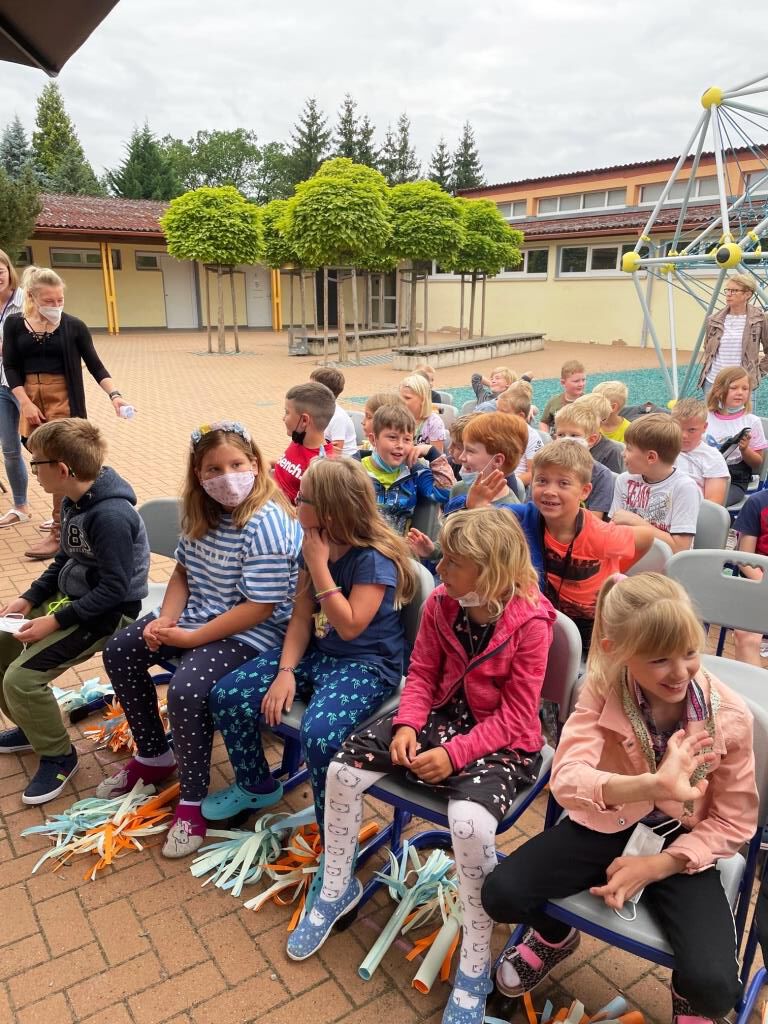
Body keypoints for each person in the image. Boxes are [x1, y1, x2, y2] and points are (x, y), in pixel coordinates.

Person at [285, 508, 556, 1024]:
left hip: (501, 739)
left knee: (469, 824)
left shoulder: (532, 622)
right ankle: (337, 885)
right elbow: (423, 672)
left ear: (493, 570)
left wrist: (454, 755)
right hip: (437, 718)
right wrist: (408, 725)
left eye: (455, 562)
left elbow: (519, 716)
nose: (442, 567)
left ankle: (475, 961)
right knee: (343, 771)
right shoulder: (441, 601)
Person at [483, 573, 758, 1024]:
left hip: (681, 845)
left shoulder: (728, 716)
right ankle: (555, 937)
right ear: (618, 653)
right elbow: (568, 778)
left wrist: (657, 865)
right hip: (606, 822)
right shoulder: (602, 685)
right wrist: (652, 786)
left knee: (715, 988)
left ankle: (687, 991)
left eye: (691, 651)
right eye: (660, 659)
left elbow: (734, 822)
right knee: (501, 893)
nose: (681, 672)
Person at [96, 422, 301, 858]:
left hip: (253, 632)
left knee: (188, 687)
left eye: (237, 464)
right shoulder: (200, 511)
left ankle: (192, 799)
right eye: (213, 469)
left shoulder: (266, 521)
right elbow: (183, 572)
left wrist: (190, 636)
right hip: (198, 616)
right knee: (120, 650)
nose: (227, 477)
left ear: (256, 465)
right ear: (198, 475)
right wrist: (166, 618)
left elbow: (259, 608)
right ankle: (154, 755)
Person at [204, 457, 417, 833]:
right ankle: (255, 785)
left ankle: (332, 832)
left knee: (319, 735)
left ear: (331, 512)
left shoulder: (372, 559)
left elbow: (350, 626)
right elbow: (302, 616)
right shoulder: (315, 544)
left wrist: (319, 566)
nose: (294, 503)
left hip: (366, 666)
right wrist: (286, 672)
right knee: (229, 694)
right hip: (319, 653)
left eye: (302, 499)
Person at [0, 419, 149, 804]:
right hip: (77, 602)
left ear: (62, 470)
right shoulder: (72, 500)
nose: (33, 471)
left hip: (110, 613)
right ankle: (35, 728)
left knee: (20, 679)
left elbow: (116, 591)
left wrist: (55, 620)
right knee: (0, 643)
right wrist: (30, 598)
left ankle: (59, 756)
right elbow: (65, 559)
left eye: (36, 463)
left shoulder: (110, 516)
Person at [2, 266, 133, 560]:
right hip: (31, 400)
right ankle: (73, 521)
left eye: (60, 300)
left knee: (58, 463)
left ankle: (59, 533)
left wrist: (116, 396)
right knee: (41, 462)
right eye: (50, 301)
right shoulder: (13, 324)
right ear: (33, 297)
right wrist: (23, 401)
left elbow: (96, 366)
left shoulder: (74, 326)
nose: (57, 306)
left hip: (64, 401)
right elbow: (10, 366)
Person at [611, 414, 702, 554]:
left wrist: (637, 522)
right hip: (627, 557)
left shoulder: (684, 488)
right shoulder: (624, 480)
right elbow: (613, 530)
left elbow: (679, 548)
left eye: (628, 448)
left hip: (664, 568)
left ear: (651, 457)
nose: (623, 453)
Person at [357, 404, 452, 535]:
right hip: (358, 548)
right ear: (374, 439)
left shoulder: (415, 474)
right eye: (392, 437)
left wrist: (432, 453)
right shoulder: (353, 471)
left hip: (398, 550)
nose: (400, 445)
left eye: (407, 439)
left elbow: (446, 492)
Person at [699, 273, 768, 407]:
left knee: (742, 425)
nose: (728, 294)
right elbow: (708, 347)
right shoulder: (714, 319)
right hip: (713, 381)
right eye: (727, 290)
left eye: (734, 290)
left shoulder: (760, 319)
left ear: (747, 294)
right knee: (711, 424)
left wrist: (757, 372)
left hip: (742, 384)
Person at [705, 367, 767, 506]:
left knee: (711, 505)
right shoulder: (705, 417)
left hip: (734, 479)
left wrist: (745, 450)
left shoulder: (751, 421)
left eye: (745, 389)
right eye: (733, 388)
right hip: (705, 473)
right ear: (718, 390)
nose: (740, 392)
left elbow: (757, 463)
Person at [0, 249, 29, 528]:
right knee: (9, 449)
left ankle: (63, 507)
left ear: (9, 271)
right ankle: (20, 506)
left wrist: (6, 348)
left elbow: (37, 335)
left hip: (26, 384)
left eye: (0, 270)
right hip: (0, 385)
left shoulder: (24, 300)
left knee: (42, 444)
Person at [273, 382, 336, 504]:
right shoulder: (299, 441)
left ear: (304, 420)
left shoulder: (322, 467)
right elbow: (284, 465)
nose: (283, 418)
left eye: (287, 412)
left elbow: (309, 514)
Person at [553, 403, 618, 520]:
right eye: (561, 435)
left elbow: (595, 518)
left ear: (591, 439)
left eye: (574, 435)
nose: (566, 440)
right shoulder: (547, 467)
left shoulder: (601, 475)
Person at [732, 488, 768, 666]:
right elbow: (744, 560)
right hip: (760, 582)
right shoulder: (757, 502)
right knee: (745, 637)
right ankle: (754, 693)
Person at [671, 397, 730, 505]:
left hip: (691, 515)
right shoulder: (660, 448)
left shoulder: (712, 458)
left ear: (704, 427)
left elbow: (713, 505)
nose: (684, 435)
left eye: (692, 430)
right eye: (678, 428)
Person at [496, 384, 543, 487]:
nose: (497, 415)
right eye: (497, 410)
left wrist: (505, 483)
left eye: (503, 412)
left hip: (517, 485)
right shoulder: (495, 431)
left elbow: (534, 473)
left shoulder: (531, 436)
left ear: (520, 416)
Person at [309, 368, 358, 457]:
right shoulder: (316, 411)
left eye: (311, 387)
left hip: (346, 463)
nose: (307, 391)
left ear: (323, 393)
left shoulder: (337, 417)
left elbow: (336, 454)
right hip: (324, 456)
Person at [573, 393, 625, 473]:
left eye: (586, 417)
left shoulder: (611, 451)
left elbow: (610, 481)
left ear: (602, 421)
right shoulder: (570, 440)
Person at [539, 360, 587, 435]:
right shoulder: (554, 401)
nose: (581, 384)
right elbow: (544, 422)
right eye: (576, 381)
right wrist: (546, 437)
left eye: (583, 380)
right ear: (563, 382)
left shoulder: (588, 401)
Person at [400, 374, 445, 452]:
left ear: (422, 399)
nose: (402, 401)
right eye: (401, 397)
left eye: (407, 398)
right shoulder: (397, 418)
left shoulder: (434, 422)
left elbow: (437, 458)